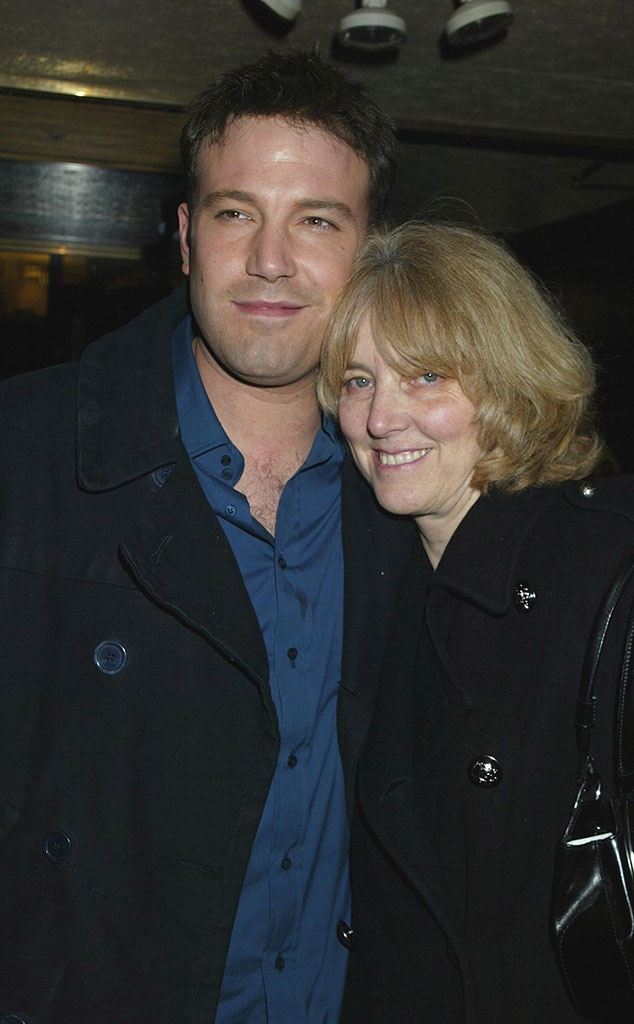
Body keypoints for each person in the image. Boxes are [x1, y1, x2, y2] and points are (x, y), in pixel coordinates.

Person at [0, 51, 418, 1022]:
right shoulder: (25, 453)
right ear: (187, 237)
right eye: (236, 213)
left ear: (370, 252)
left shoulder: (417, 484)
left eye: (316, 220)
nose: (270, 259)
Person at [317, 220, 634, 1023]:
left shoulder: (606, 572)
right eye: (358, 381)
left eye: (425, 377)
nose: (381, 418)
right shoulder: (375, 579)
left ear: (507, 383)